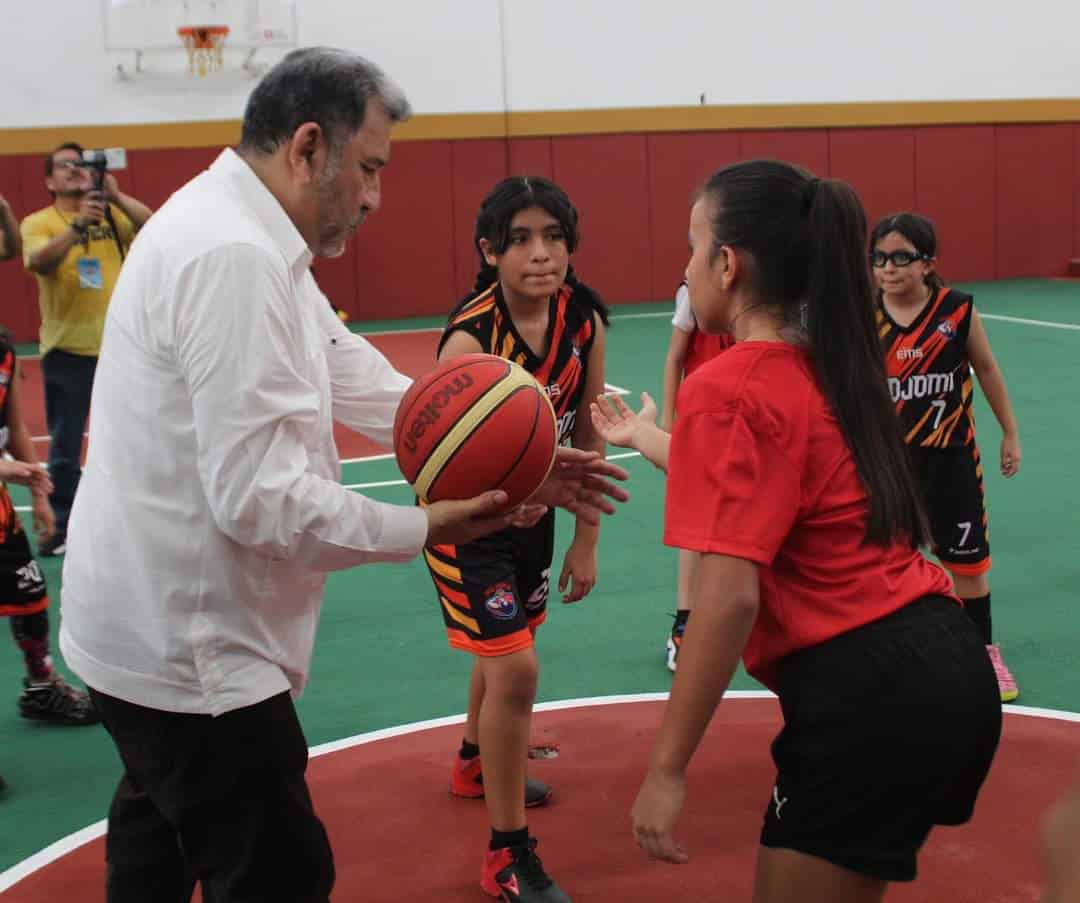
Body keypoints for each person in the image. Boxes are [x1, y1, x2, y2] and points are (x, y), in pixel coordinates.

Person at [58, 50, 627, 903]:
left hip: (145, 631)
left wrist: (519, 462)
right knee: (281, 870)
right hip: (196, 651)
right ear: (307, 146)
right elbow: (258, 500)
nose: (373, 197)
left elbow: (345, 367)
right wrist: (425, 524)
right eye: (367, 169)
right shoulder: (232, 256)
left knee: (157, 838)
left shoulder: (238, 230)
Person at [591, 159, 1002, 901]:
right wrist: (649, 437)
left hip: (867, 692)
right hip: (945, 658)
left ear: (726, 264)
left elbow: (728, 600)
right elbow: (754, 475)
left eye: (691, 248)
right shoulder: (832, 365)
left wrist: (667, 767)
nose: (684, 269)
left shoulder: (728, 383)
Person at [426, 175, 608, 903]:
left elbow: (590, 427)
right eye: (522, 239)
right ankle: (506, 854)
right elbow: (442, 462)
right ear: (489, 250)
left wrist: (584, 537)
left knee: (508, 651)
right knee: (518, 669)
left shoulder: (582, 318)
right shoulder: (471, 335)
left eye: (555, 237)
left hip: (541, 517)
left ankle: (474, 761)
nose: (542, 254)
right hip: (468, 524)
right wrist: (514, 496)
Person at [871, 212, 1021, 702]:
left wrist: (1010, 433)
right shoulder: (865, 317)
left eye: (900, 257)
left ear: (928, 262)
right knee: (890, 560)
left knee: (969, 565)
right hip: (890, 467)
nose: (889, 268)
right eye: (879, 259)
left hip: (951, 461)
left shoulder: (956, 312)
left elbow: (990, 369)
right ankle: (905, 652)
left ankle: (983, 654)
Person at [20, 143, 153, 556]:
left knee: (135, 438)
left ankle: (135, 520)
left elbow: (153, 227)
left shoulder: (112, 214)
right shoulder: (38, 221)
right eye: (66, 166)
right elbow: (40, 261)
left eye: (81, 164)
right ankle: (63, 526)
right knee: (65, 444)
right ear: (49, 180)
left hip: (121, 348)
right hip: (68, 351)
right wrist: (78, 227)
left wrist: (115, 196)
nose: (76, 171)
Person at [0, 324, 99, 729]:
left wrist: (39, 494)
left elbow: (16, 427)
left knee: (30, 592)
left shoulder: (4, 351)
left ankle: (41, 687)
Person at [659, 279, 732, 672]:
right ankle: (685, 622)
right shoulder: (696, 288)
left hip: (751, 417)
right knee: (697, 522)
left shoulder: (773, 279)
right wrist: (669, 422)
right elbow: (674, 357)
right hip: (703, 418)